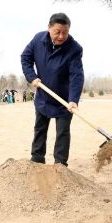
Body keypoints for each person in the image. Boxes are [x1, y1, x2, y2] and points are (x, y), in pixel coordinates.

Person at [21, 13, 84, 167]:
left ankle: (60, 165)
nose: (61, 36)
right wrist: (31, 76)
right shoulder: (38, 40)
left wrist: (73, 100)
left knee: (62, 132)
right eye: (57, 31)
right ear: (49, 27)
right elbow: (25, 58)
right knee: (40, 130)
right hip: (43, 96)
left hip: (64, 100)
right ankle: (37, 161)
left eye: (65, 32)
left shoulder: (74, 49)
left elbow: (77, 76)